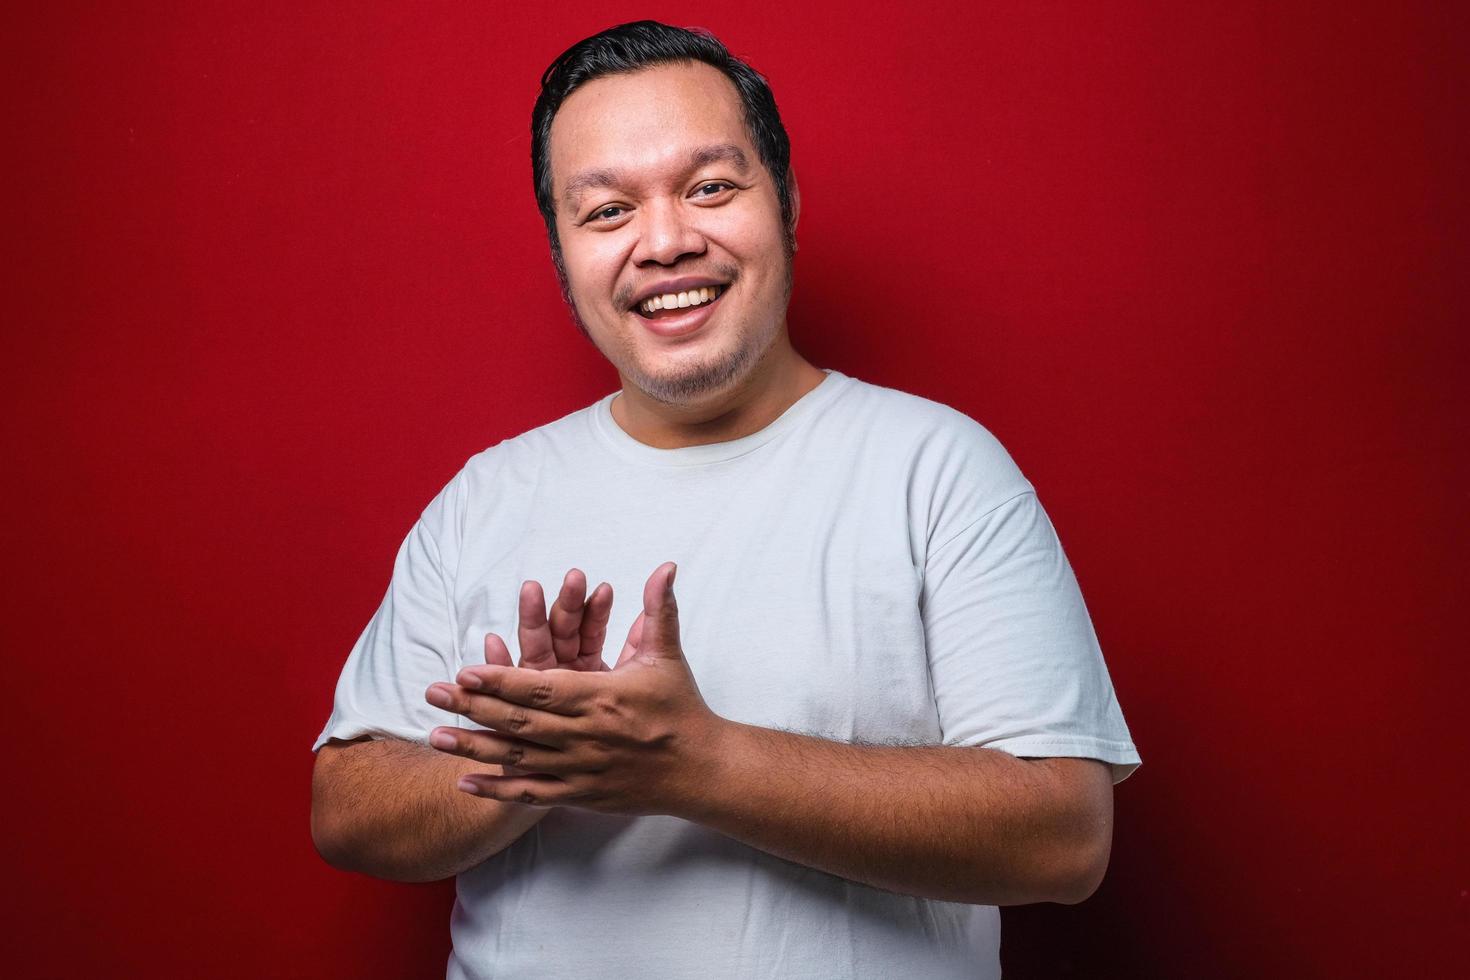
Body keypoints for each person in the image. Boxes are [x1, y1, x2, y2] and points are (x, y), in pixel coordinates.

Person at [310, 19, 1141, 980]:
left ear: (784, 204)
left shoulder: (940, 470)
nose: (664, 242)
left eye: (710, 188)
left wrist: (694, 764)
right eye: (607, 210)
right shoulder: (486, 496)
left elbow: (1064, 839)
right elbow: (347, 807)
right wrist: (533, 763)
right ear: (560, 255)